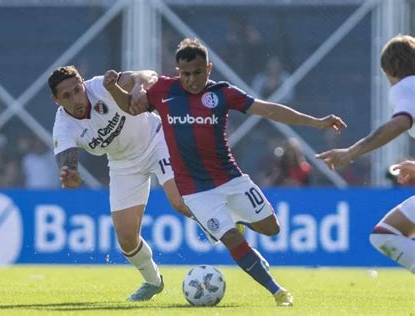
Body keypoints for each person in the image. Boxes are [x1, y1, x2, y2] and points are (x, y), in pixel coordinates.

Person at [103, 38, 347, 306]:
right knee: (230, 238)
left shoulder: (222, 93)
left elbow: (268, 109)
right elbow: (129, 106)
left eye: (197, 72)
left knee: (271, 228)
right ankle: (278, 292)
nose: (192, 79)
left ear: (208, 68)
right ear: (177, 72)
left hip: (230, 178)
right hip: (195, 190)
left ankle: (239, 225)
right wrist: (111, 88)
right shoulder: (164, 90)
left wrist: (316, 122)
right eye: (185, 74)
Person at [47, 65, 191, 301]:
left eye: (77, 89)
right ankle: (153, 282)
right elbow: (68, 169)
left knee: (180, 203)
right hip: (123, 164)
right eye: (66, 96)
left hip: (156, 140)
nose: (76, 99)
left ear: (83, 83)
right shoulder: (63, 128)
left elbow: (149, 75)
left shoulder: (101, 86)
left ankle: (225, 223)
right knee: (126, 238)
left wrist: (137, 87)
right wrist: (70, 177)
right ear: (56, 100)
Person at [316, 35, 415, 273]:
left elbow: (400, 122)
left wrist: (352, 152)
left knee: (384, 235)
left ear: (390, 71)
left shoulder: (405, 87)